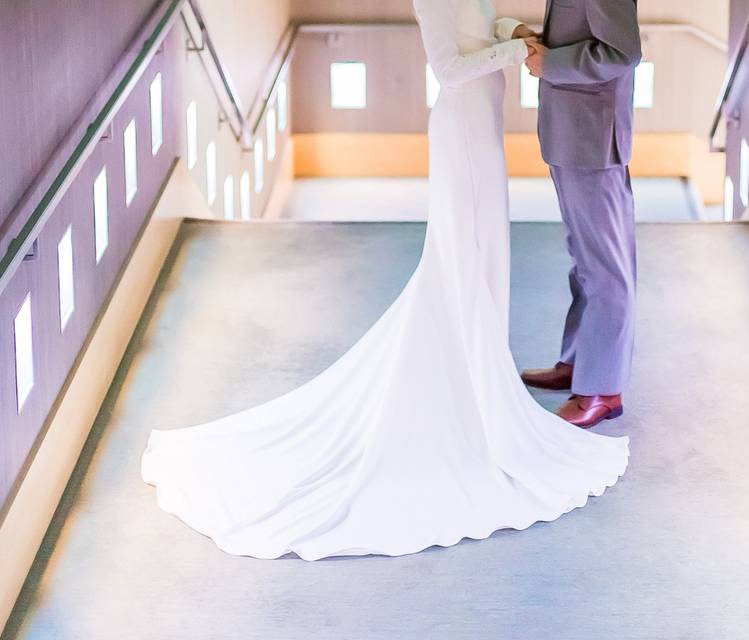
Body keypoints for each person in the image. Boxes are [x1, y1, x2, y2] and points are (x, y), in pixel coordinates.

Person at [141, 0, 629, 561]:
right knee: (466, 261)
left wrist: (508, 30)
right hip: (463, 132)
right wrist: (518, 50)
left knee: (488, 259)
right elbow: (448, 67)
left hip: (484, 125)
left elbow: (473, 30)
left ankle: (481, 376)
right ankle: (471, 394)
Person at [521, 0, 642, 429]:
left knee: (606, 269)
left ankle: (603, 390)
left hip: (591, 138)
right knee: (585, 262)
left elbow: (622, 52)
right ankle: (579, 365)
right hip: (572, 132)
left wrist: (551, 62)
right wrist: (540, 45)